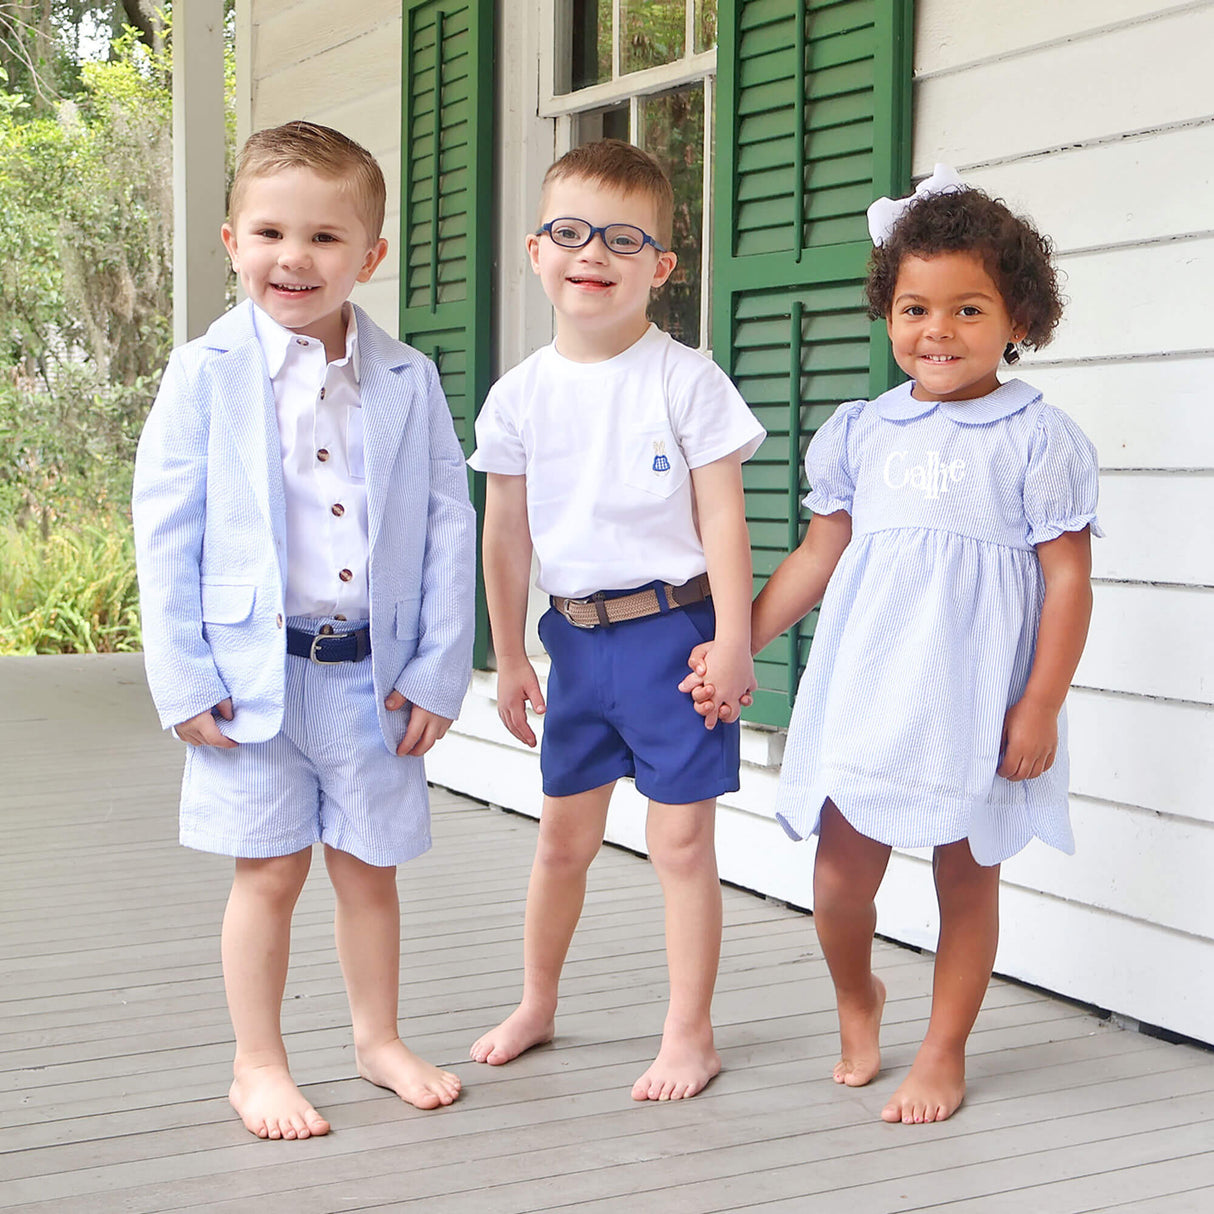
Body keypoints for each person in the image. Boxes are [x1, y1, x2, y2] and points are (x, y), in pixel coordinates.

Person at [684, 166, 1100, 1123]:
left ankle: (944, 1049)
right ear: (886, 312)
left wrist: (1037, 703)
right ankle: (857, 995)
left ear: (1019, 321)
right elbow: (817, 554)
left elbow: (1067, 581)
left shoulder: (1041, 439)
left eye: (967, 309)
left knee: (965, 874)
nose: (937, 331)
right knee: (838, 879)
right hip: (868, 685)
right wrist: (736, 639)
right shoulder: (861, 432)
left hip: (977, 694)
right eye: (915, 307)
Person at [132, 121, 476, 1140]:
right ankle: (258, 1061)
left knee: (368, 868)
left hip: (373, 675)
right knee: (270, 870)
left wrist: (438, 672)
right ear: (232, 240)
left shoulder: (407, 379)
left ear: (368, 255)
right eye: (272, 232)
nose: (295, 257)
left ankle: (377, 1038)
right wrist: (182, 675)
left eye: (325, 237)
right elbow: (166, 529)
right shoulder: (203, 374)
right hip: (249, 677)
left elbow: (446, 526)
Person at [466, 139, 765, 1101]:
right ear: (536, 249)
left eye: (623, 239)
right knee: (562, 841)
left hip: (674, 639)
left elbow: (724, 514)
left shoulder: (685, 380)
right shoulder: (517, 396)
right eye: (570, 232)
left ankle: (690, 1034)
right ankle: (537, 1003)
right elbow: (505, 533)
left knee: (681, 845)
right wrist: (509, 653)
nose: (592, 253)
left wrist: (732, 638)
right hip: (573, 643)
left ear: (660, 268)